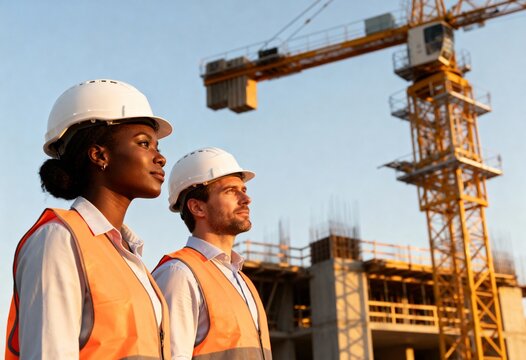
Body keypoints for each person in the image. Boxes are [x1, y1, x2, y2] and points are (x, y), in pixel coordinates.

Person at [5, 79, 172, 359]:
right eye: (144, 143)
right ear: (99, 154)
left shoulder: (129, 257)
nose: (161, 157)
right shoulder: (59, 239)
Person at [152, 147, 272, 360]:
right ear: (198, 208)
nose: (246, 199)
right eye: (230, 191)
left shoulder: (243, 281)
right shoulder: (179, 273)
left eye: (243, 189)